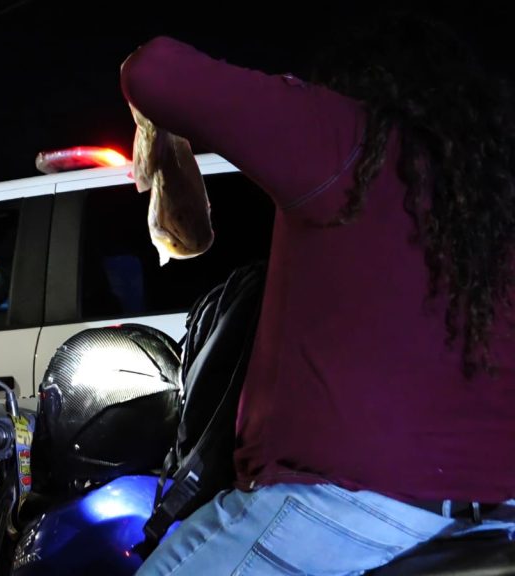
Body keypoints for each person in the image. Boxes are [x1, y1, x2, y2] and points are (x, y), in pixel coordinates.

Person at [121, 11, 515, 575]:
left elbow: (153, 70)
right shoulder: (488, 193)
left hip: (340, 512)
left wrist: (162, 129)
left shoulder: (345, 137)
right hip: (493, 518)